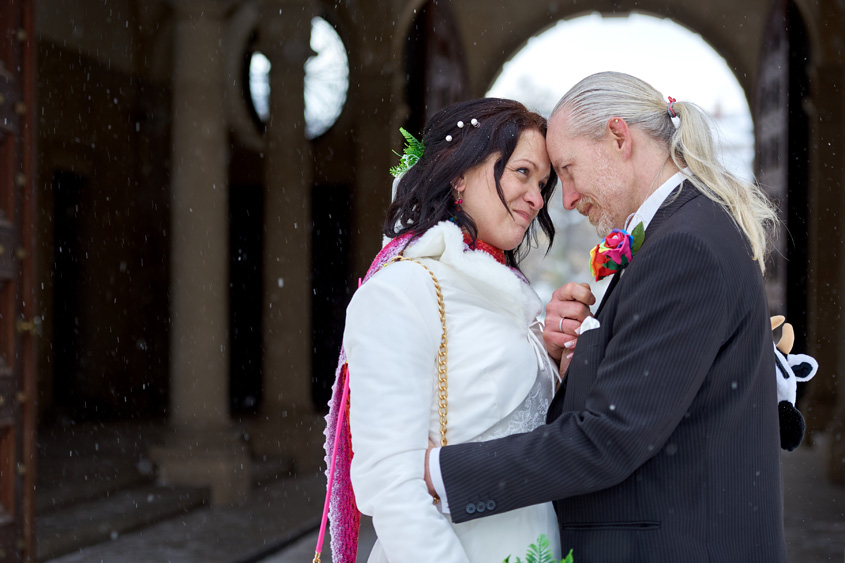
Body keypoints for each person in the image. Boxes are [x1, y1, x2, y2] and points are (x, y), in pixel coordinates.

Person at [425, 71, 785, 562]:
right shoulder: (675, 230)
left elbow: (612, 437)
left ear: (618, 138)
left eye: (568, 170)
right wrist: (568, 355)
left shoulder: (683, 246)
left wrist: (443, 473)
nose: (566, 200)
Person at [326, 98, 562, 563]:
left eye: (543, 183)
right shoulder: (404, 290)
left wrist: (560, 358)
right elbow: (391, 484)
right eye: (522, 172)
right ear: (459, 173)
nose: (536, 197)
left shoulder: (520, 300)